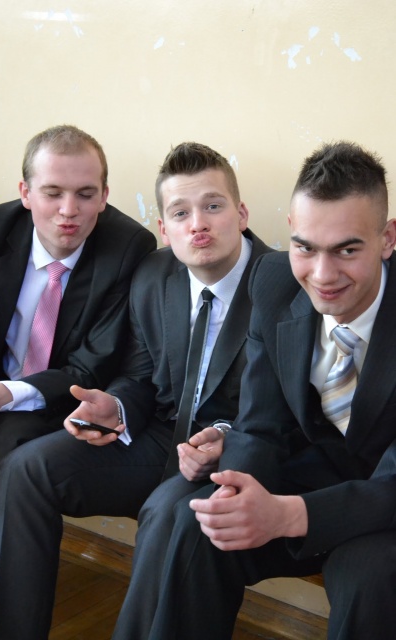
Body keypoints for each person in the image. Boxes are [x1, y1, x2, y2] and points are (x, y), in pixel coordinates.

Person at [0, 142, 272, 640]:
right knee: (25, 469)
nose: (197, 224)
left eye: (213, 205)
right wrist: (114, 407)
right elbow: (140, 378)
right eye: (180, 213)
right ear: (164, 227)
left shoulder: (281, 283)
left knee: (167, 512)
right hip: (158, 438)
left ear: (241, 213)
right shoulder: (154, 274)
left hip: (234, 451)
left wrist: (226, 439)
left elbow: (283, 411)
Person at [110, 140, 396, 640]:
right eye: (305, 247)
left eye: (347, 250)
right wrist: (236, 492)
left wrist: (289, 514)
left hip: (387, 508)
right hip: (316, 475)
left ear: (388, 238)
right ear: (291, 229)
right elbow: (261, 425)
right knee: (199, 523)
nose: (322, 275)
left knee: (368, 580)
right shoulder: (275, 281)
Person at [0, 124, 157, 639]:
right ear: (25, 192)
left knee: (10, 441)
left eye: (85, 194)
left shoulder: (128, 249)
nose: (69, 210)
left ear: (105, 195)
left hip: (63, 400)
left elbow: (90, 367)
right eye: (52, 192)